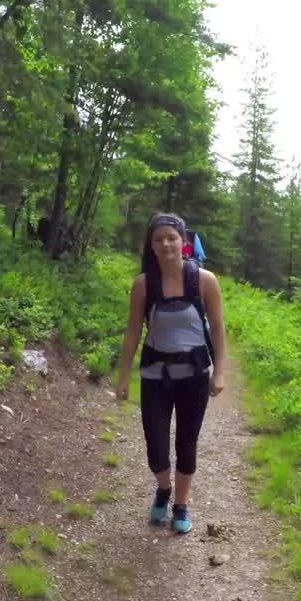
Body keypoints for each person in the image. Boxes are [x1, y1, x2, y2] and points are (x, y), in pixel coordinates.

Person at [114, 213, 227, 534]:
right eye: (158, 239)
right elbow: (133, 332)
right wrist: (123, 377)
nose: (165, 244)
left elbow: (219, 329)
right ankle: (163, 489)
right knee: (156, 445)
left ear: (184, 241)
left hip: (194, 376)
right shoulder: (143, 284)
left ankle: (181, 504)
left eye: (171, 238)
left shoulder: (205, 281)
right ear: (151, 246)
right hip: (155, 376)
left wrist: (220, 372)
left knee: (187, 442)